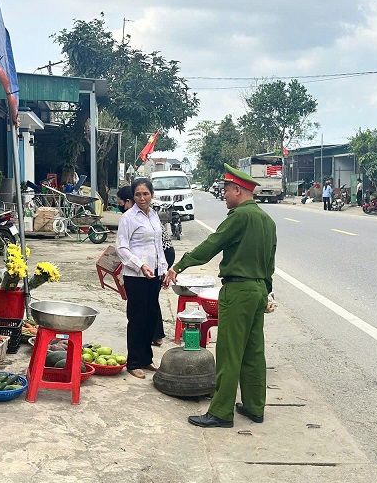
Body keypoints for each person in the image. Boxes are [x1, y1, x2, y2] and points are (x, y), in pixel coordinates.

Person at [165, 164, 277, 428]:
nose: (224, 195)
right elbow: (270, 261)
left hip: (238, 291)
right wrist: (267, 291)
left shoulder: (239, 217)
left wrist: (179, 265)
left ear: (238, 190)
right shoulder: (267, 220)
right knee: (253, 351)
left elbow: (212, 245)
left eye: (226, 190)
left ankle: (221, 412)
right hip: (258, 289)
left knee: (229, 352)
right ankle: (254, 406)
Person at [115, 178, 167, 378]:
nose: (142, 198)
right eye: (138, 194)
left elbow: (158, 246)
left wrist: (163, 269)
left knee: (151, 317)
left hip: (153, 274)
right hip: (136, 275)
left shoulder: (153, 215)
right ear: (133, 196)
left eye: (145, 194)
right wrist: (140, 265)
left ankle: (146, 359)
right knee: (137, 318)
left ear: (151, 195)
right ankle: (134, 361)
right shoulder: (128, 218)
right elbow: (122, 248)